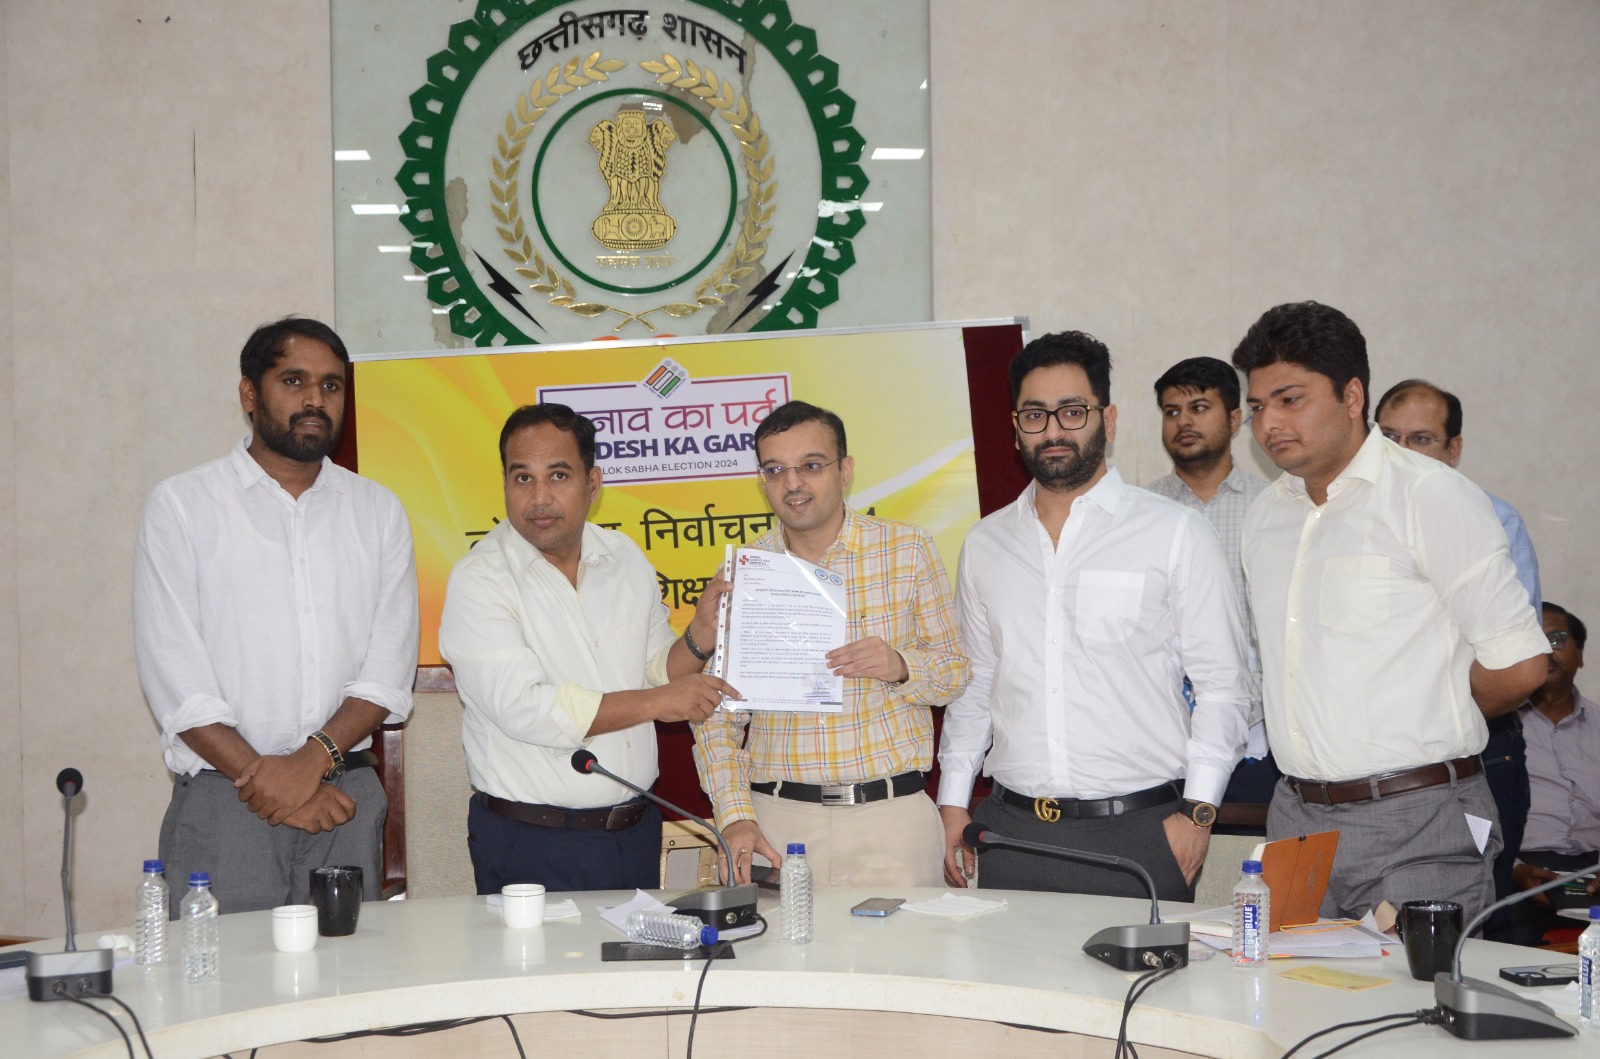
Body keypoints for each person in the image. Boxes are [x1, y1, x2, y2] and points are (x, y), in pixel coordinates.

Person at [1233, 301, 1548, 923]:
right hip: (1295, 817)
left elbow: (1521, 667)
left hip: (1419, 818)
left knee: (1416, 990)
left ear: (1352, 396)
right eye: (1258, 406)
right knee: (1285, 987)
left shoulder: (1431, 495)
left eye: (1290, 400)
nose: (1268, 423)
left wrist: (1435, 705)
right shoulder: (1266, 515)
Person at [937, 332, 1253, 901]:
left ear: (1107, 419)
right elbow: (976, 681)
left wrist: (1198, 813)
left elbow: (1224, 685)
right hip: (1011, 832)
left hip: (1141, 832)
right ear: (1015, 426)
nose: (1053, 430)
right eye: (1035, 414)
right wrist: (954, 802)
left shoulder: (1174, 532)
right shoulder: (986, 544)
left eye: (1072, 411)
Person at [133, 316, 420, 916]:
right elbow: (177, 678)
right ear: (249, 393)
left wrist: (310, 765)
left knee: (351, 971)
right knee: (224, 973)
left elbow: (387, 672)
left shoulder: (378, 511)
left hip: (344, 798)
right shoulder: (183, 506)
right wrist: (273, 781)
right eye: (294, 381)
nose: (316, 399)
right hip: (227, 798)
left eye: (331, 385)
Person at [439, 404, 736, 893]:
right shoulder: (480, 580)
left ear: (593, 484)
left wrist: (701, 634)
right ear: (505, 483)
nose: (539, 497)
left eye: (558, 475)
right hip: (533, 840)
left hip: (635, 831)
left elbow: (657, 671)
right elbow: (526, 708)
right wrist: (657, 703)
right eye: (523, 478)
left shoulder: (623, 557)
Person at [691, 401, 970, 887]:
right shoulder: (747, 572)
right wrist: (735, 815)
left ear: (845, 470)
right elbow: (715, 716)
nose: (793, 484)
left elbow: (956, 674)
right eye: (775, 470)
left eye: (811, 466)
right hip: (777, 820)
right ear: (762, 481)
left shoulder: (907, 550)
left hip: (891, 821)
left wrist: (901, 665)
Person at [1374, 378, 1542, 916]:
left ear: (1454, 449)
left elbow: (1511, 662)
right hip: (1372, 766)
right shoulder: (1343, 518)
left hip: (1478, 750)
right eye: (1389, 437)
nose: (1402, 453)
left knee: (1468, 918)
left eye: (1420, 439)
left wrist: (1437, 719)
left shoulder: (1493, 518)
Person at [1146, 356, 1275, 805]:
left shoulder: (1273, 508)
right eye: (1171, 411)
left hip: (1259, 732)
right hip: (1158, 737)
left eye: (1199, 408)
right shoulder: (1137, 514)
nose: (1183, 421)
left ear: (1236, 419)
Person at [1509, 603, 1600, 943]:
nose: (1546, 651)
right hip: (1523, 870)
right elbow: (1473, 814)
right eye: (1534, 640)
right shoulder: (1494, 730)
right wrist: (1515, 869)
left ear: (1580, 653)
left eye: (1557, 639)